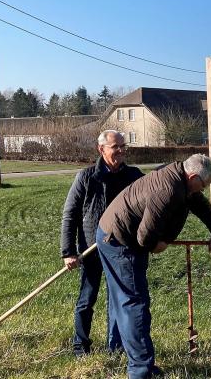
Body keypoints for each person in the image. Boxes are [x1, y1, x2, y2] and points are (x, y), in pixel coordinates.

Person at [96, 154, 211, 379]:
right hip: (119, 242)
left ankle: (129, 355)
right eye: (204, 185)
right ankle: (141, 371)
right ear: (193, 177)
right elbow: (145, 237)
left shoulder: (181, 178)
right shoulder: (167, 190)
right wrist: (160, 243)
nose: (204, 189)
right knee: (134, 304)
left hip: (118, 236)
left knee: (126, 300)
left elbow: (199, 204)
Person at [60, 129, 144, 357]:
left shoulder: (134, 176)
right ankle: (80, 346)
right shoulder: (87, 177)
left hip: (121, 250)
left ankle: (115, 347)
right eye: (115, 147)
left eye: (123, 146)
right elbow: (70, 215)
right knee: (87, 299)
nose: (121, 151)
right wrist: (68, 252)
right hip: (91, 249)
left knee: (117, 300)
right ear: (101, 149)